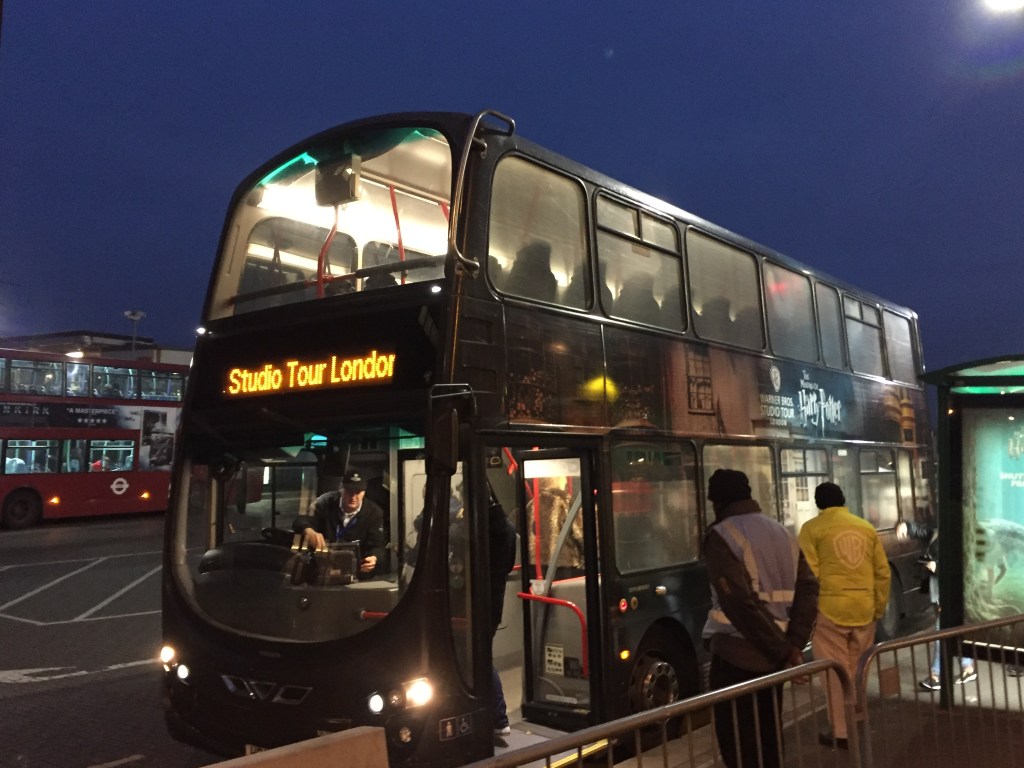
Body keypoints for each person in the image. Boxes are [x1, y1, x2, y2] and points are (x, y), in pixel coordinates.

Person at [702, 469, 819, 768]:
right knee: (768, 740)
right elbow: (808, 588)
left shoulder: (721, 536)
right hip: (774, 661)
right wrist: (793, 645)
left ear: (717, 502)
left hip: (736, 659)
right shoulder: (782, 532)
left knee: (739, 745)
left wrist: (784, 650)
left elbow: (739, 603)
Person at [798, 482, 890, 749]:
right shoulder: (866, 528)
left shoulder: (812, 530)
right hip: (863, 609)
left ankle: (841, 733)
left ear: (818, 504)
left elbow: (809, 575)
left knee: (835, 674)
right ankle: (857, 720)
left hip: (829, 612)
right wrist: (878, 608)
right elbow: (882, 574)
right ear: (843, 501)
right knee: (858, 670)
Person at [897, 521, 977, 690]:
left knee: (942, 631)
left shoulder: (962, 536)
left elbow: (964, 565)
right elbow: (923, 531)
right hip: (938, 589)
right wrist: (907, 526)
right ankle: (967, 666)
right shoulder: (939, 531)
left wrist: (937, 566)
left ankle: (936, 674)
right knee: (953, 630)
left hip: (948, 592)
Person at [292, 469, 386, 578]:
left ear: (364, 492)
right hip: (322, 568)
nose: (353, 497)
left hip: (356, 572)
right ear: (342, 488)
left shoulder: (374, 512)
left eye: (358, 492)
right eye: (350, 491)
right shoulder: (325, 501)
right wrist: (309, 531)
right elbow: (299, 520)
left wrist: (373, 558)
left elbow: (378, 546)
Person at [488, 490, 518, 743]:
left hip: (476, 603)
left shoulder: (481, 528)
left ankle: (498, 718)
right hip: (494, 601)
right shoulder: (507, 527)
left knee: (481, 659)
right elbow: (508, 565)